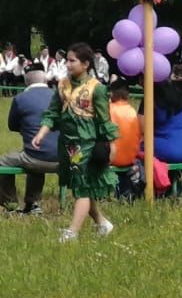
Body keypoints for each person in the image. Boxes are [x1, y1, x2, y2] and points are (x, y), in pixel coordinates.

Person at [33, 42, 116, 243]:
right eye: (67, 60)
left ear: (86, 64)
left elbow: (104, 120)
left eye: (73, 61)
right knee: (79, 185)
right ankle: (103, 223)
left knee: (81, 186)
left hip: (86, 144)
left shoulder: (97, 89)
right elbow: (52, 113)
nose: (68, 64)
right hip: (67, 145)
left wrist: (112, 147)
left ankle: (72, 232)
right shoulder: (62, 85)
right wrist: (42, 133)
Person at [0, 66, 59, 213]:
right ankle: (32, 203)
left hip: (36, 156)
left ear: (26, 81)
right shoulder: (58, 95)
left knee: (3, 162)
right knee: (35, 159)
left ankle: (10, 204)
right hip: (63, 157)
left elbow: (12, 125)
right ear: (45, 79)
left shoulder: (21, 98)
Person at [148, 67, 182, 199]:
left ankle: (158, 187)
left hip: (166, 149)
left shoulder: (152, 99)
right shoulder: (180, 97)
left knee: (138, 152)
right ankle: (174, 182)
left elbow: (142, 128)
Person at [107, 81, 141, 199]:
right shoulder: (132, 111)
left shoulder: (108, 109)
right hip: (130, 158)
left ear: (112, 93)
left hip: (112, 158)